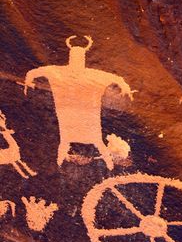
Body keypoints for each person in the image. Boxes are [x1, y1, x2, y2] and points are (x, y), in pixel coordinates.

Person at [24, 35, 134, 169]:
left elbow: (116, 79)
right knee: (71, 140)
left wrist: (124, 86)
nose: (76, 61)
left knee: (92, 140)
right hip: (70, 116)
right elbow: (34, 72)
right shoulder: (60, 72)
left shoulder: (83, 74)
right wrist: (28, 80)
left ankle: (107, 164)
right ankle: (61, 163)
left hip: (85, 116)